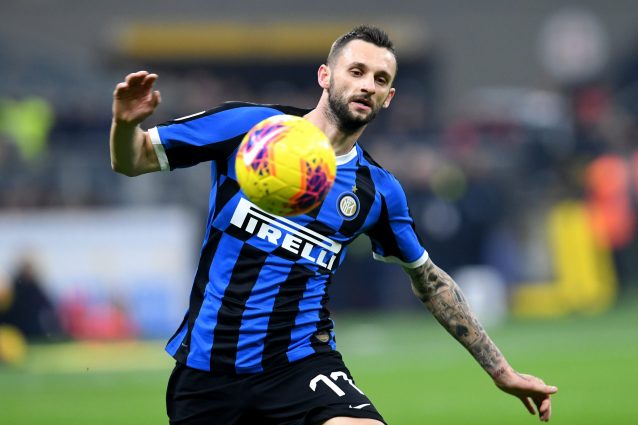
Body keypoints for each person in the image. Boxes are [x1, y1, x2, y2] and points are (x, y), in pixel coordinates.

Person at [110, 25, 557, 425]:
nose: (367, 85)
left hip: (300, 365)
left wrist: (501, 371)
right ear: (325, 76)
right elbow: (134, 160)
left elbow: (429, 281)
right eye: (356, 71)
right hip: (207, 371)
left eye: (380, 79)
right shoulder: (250, 127)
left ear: (388, 97)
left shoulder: (378, 191)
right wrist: (124, 125)